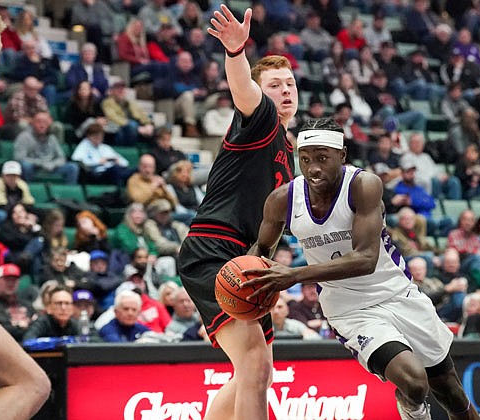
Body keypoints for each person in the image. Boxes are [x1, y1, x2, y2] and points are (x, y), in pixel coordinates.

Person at [244, 118, 478, 420]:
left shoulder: (363, 185)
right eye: (305, 159)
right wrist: (243, 282)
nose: (313, 168)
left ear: (342, 156)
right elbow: (260, 252)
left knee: (451, 391)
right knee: (415, 383)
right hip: (349, 309)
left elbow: (365, 260)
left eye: (322, 158)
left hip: (396, 292)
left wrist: (292, 275)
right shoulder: (282, 200)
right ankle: (410, 404)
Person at [176, 5, 297, 420]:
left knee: (255, 369)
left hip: (245, 260)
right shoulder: (260, 119)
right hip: (214, 250)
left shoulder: (289, 147)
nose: (286, 90)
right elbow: (245, 89)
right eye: (276, 84)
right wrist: (235, 53)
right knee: (255, 365)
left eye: (290, 83)